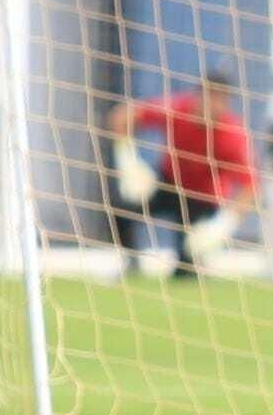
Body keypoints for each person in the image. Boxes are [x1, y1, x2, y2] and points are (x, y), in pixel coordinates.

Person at [109, 65, 257, 278]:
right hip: (167, 184)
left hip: (202, 199)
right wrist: (128, 160)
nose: (212, 104)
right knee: (120, 207)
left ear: (227, 103)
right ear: (198, 95)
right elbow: (122, 116)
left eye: (219, 99)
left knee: (186, 268)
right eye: (209, 96)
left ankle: (193, 263)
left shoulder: (233, 136)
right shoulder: (177, 109)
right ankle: (131, 262)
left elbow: (250, 187)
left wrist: (224, 224)